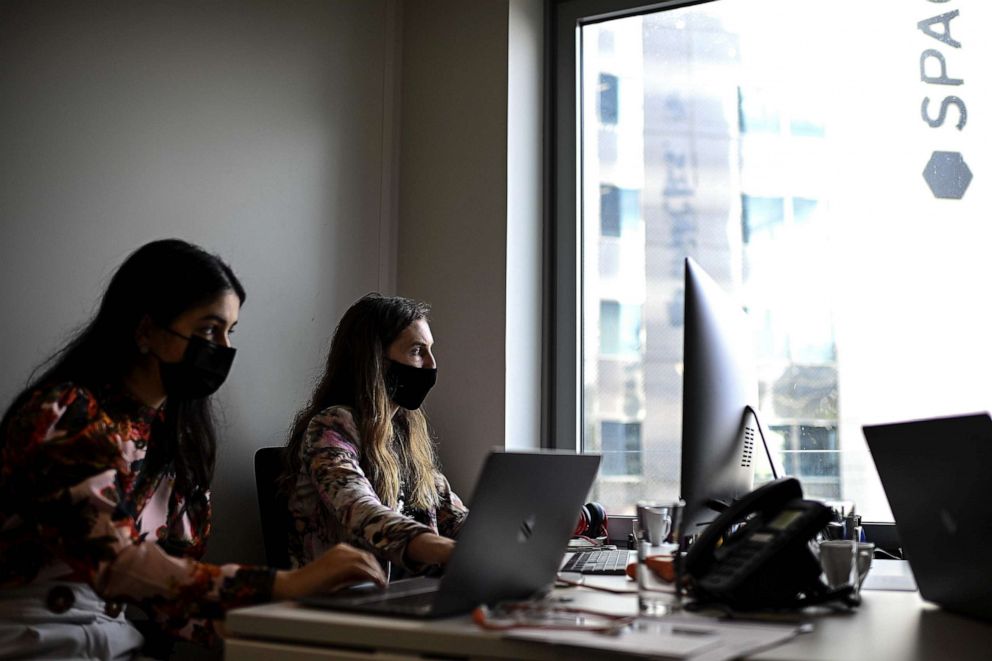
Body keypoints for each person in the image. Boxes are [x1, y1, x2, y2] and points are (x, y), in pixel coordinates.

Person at [0, 239, 385, 660]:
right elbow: (116, 562)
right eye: (207, 329)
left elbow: (176, 599)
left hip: (114, 643)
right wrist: (283, 584)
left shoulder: (176, 444)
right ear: (146, 330)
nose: (223, 347)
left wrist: (297, 625)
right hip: (32, 640)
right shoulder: (65, 414)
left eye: (229, 331)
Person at [281, 293, 468, 578]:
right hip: (348, 602)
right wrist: (444, 549)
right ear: (375, 360)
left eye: (430, 350)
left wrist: (520, 532)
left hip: (415, 597)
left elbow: (452, 516)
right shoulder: (331, 428)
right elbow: (361, 511)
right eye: (417, 351)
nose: (431, 365)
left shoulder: (404, 434)